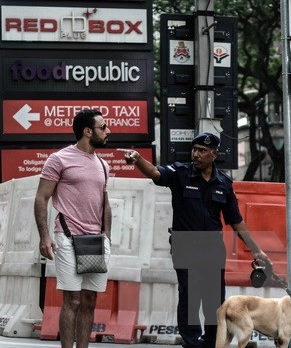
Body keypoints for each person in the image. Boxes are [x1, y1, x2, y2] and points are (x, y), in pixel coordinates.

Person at [118, 132, 270, 348]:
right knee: (190, 294)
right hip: (185, 244)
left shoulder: (224, 182)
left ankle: (210, 342)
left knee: (214, 298)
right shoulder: (180, 173)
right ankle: (191, 342)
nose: (196, 154)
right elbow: (155, 173)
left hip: (212, 247)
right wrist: (138, 159)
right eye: (194, 149)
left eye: (202, 150)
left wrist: (256, 250)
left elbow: (235, 220)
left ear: (214, 154)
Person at [34, 109, 112, 348]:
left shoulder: (102, 163)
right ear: (88, 132)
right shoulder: (59, 159)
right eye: (103, 127)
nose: (108, 131)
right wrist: (45, 236)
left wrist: (107, 237)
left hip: (96, 240)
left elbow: (104, 203)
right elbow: (41, 198)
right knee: (73, 300)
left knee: (89, 300)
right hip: (67, 237)